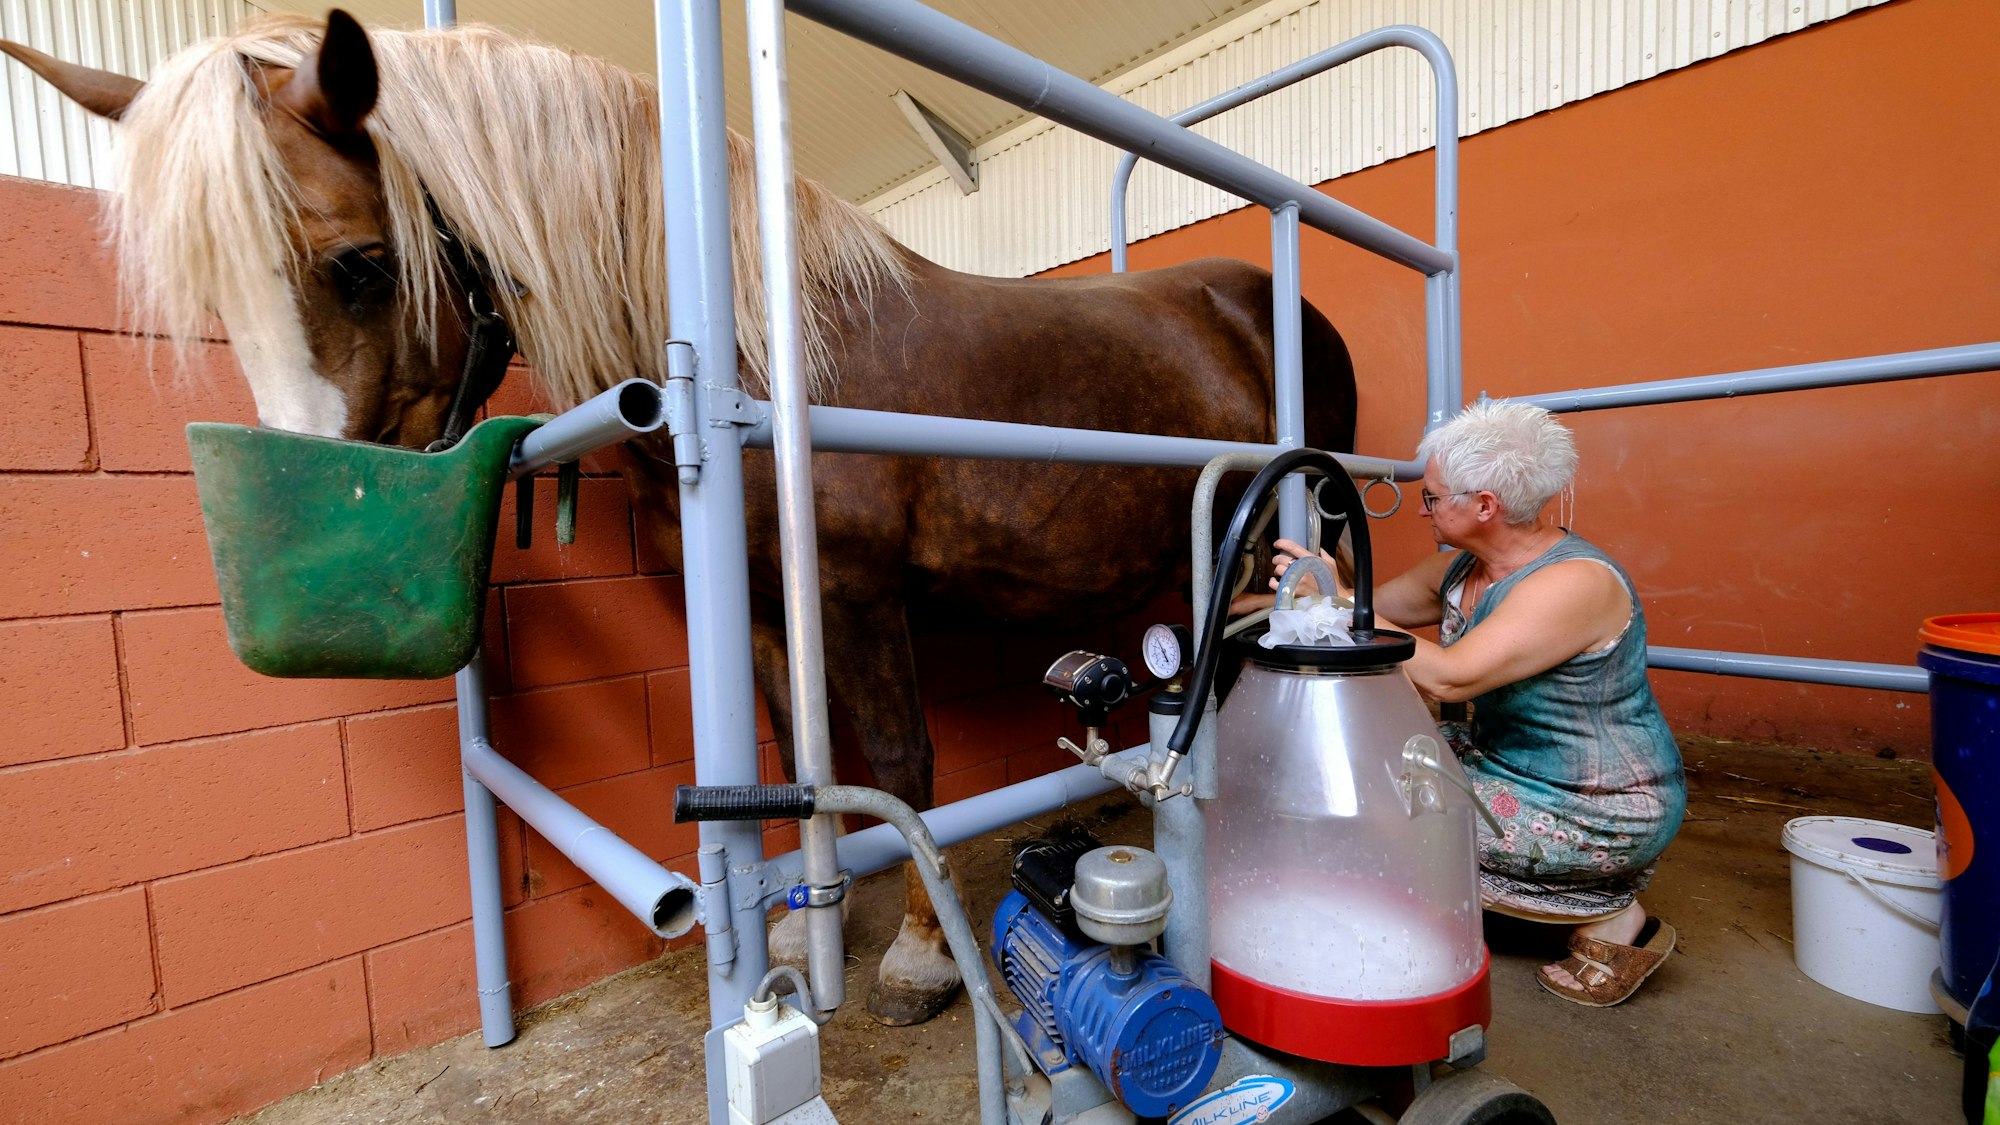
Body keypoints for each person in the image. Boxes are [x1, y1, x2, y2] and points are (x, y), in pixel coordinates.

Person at [1262, 400, 1686, 1007]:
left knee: (1375, 804)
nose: (1423, 506)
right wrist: (1317, 586)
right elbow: (1370, 608)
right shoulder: (1463, 568)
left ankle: (1616, 917)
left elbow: (1451, 679)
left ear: (1484, 505)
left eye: (1432, 497)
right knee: (1372, 754)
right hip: (1508, 759)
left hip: (1596, 803)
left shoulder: (1575, 584)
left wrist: (1334, 605)